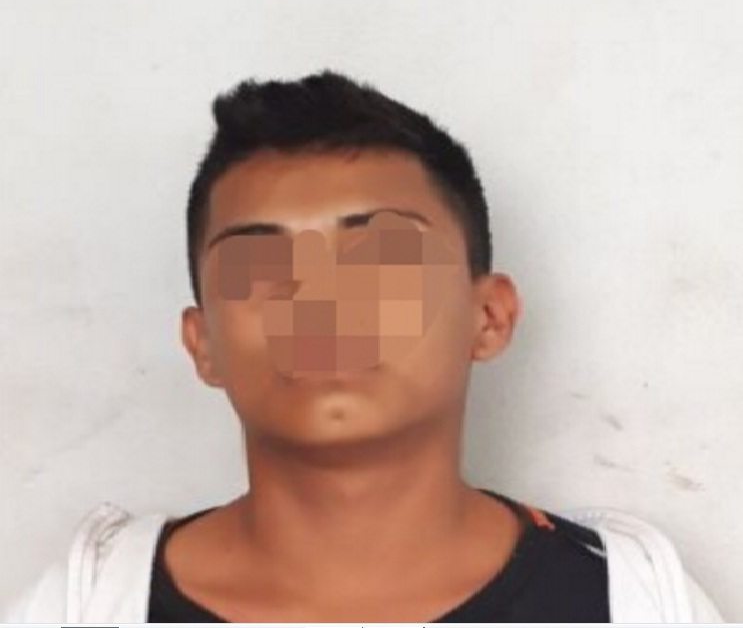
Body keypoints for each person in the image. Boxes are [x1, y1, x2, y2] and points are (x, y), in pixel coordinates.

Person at [2, 70, 724, 623]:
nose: (318, 302)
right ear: (203, 343)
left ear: (488, 316)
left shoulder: (632, 602)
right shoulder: (89, 603)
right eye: (259, 267)